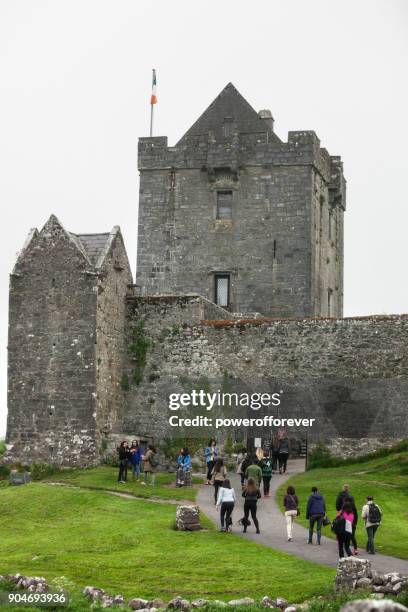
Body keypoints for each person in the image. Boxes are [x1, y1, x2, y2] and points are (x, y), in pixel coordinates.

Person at [336, 485, 359, 554]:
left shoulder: (342, 508)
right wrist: (355, 523)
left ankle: (343, 550)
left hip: (344, 524)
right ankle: (355, 549)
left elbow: (338, 516)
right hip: (352, 523)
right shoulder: (353, 507)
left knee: (342, 538)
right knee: (352, 536)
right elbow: (356, 515)